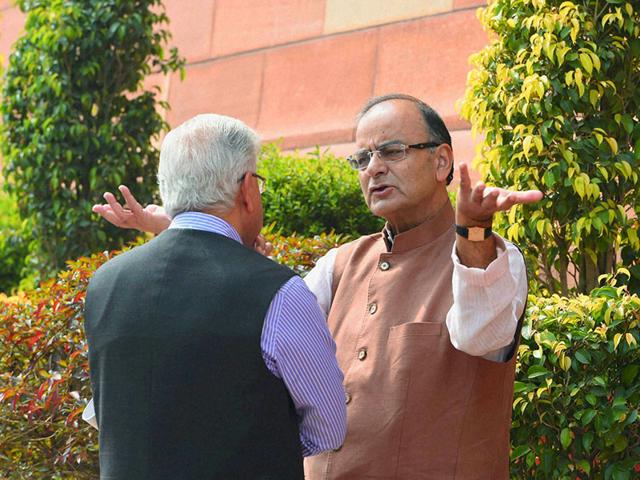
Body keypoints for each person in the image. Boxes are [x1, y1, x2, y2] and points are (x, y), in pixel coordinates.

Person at [93, 95, 543, 479]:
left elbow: (481, 334)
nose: (374, 169)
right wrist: (183, 231)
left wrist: (475, 232)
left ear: (442, 160)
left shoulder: (496, 259)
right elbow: (242, 307)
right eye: (362, 158)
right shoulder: (340, 264)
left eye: (391, 150)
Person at [84, 114, 346, 480]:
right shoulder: (278, 292)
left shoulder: (104, 284)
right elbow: (328, 429)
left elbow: (109, 415)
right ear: (248, 190)